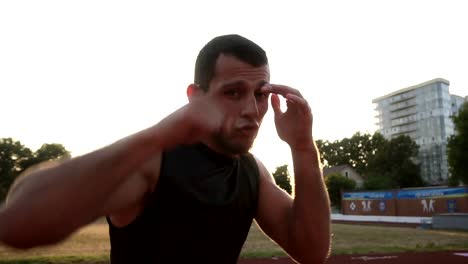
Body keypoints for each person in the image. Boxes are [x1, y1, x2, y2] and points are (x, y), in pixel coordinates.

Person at [0, 34, 331, 263]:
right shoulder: (153, 163)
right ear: (195, 96)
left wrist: (302, 148)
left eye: (259, 94)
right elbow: (19, 223)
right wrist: (160, 135)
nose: (250, 109)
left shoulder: (252, 172)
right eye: (233, 92)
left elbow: (311, 250)